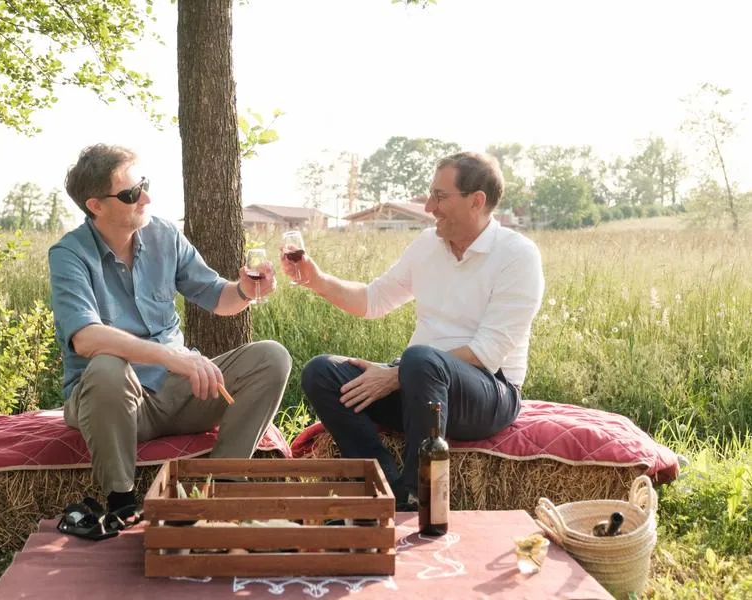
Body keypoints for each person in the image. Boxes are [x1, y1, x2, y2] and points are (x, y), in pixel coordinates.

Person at [284, 152, 544, 510]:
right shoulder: (426, 245)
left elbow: (486, 353)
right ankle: (385, 485)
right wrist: (317, 280)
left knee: (419, 360)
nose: (428, 206)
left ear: (476, 200)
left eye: (440, 196)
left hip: (487, 393)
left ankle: (416, 493)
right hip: (417, 383)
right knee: (321, 372)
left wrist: (396, 376)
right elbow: (373, 300)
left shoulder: (517, 256)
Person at [50, 144, 291, 515]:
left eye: (142, 184)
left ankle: (225, 484)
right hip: (111, 403)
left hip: (177, 394)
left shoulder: (164, 235)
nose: (146, 197)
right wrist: (171, 356)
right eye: (131, 193)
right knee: (107, 366)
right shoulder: (69, 255)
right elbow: (86, 338)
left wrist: (245, 289)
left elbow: (216, 297)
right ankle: (122, 501)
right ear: (95, 205)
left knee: (271, 357)